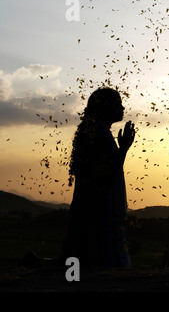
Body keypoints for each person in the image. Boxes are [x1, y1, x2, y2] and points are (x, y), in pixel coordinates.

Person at [56, 87, 135, 268]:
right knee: (90, 258)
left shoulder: (98, 130)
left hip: (95, 204)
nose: (122, 109)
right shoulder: (96, 131)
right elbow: (101, 173)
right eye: (117, 104)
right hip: (96, 207)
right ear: (104, 106)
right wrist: (123, 149)